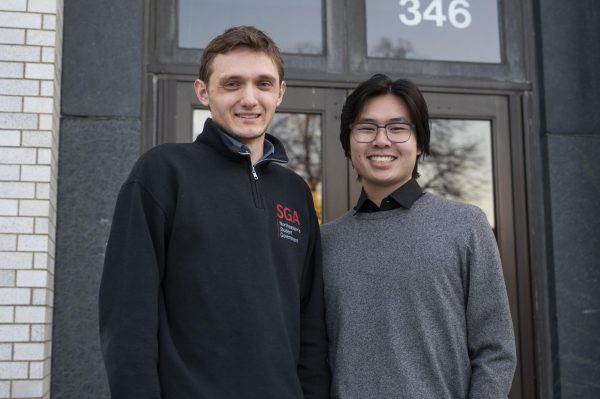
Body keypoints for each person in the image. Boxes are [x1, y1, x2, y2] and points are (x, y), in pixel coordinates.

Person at [99, 26, 330, 398]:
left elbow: (310, 324)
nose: (250, 99)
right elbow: (127, 317)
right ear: (203, 92)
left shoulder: (296, 193)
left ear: (281, 93)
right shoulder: (162, 173)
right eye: (232, 84)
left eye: (264, 84)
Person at [321, 74, 516, 398]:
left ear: (419, 141)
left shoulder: (465, 226)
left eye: (398, 128)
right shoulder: (326, 241)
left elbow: (496, 351)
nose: (381, 140)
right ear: (349, 141)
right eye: (366, 127)